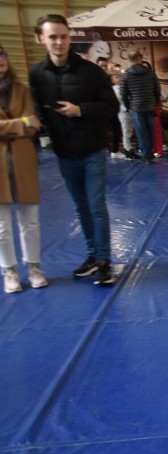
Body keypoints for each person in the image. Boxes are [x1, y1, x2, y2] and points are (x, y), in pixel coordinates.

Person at [28, 14, 119, 286]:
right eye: (53, 36)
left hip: (93, 149)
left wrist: (79, 110)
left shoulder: (91, 72)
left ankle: (104, 261)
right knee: (81, 208)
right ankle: (92, 255)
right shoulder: (37, 74)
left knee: (96, 205)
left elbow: (110, 108)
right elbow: (35, 111)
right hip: (64, 152)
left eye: (64, 36)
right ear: (41, 38)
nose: (59, 42)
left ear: (70, 37)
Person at [0, 44, 48, 293]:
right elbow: (26, 123)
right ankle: (9, 271)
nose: (0, 60)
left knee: (30, 221)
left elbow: (34, 126)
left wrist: (12, 126)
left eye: (1, 54)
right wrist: (21, 123)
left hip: (23, 162)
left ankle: (34, 267)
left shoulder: (23, 91)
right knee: (2, 226)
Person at [121, 50, 160, 165]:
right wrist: (156, 103)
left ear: (129, 60)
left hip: (136, 108)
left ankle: (146, 156)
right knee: (150, 130)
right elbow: (157, 89)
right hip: (150, 106)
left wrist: (128, 106)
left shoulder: (126, 75)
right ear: (140, 58)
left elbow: (123, 94)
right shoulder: (150, 73)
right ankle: (150, 153)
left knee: (141, 132)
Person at [111, 66, 136, 160]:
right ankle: (127, 150)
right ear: (112, 79)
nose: (120, 78)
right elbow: (120, 100)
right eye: (117, 77)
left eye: (120, 76)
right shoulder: (114, 89)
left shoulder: (124, 87)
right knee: (126, 131)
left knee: (129, 130)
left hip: (129, 110)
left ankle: (129, 148)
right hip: (122, 111)